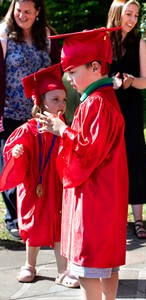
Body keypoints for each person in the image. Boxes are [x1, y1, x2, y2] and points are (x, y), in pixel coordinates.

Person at [37, 27, 128, 300]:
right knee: (107, 262)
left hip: (94, 192)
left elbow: (89, 150)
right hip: (108, 191)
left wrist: (61, 130)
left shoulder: (96, 102)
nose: (68, 78)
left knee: (89, 263)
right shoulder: (103, 98)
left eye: (73, 71)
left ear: (96, 67)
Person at [0, 64, 78, 288]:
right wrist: (16, 153)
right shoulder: (28, 129)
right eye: (55, 99)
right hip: (35, 184)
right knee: (33, 227)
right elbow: (16, 150)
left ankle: (63, 270)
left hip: (58, 185)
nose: (61, 104)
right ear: (41, 101)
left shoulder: (64, 127)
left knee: (58, 226)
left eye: (63, 100)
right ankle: (29, 265)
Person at [0, 0, 60, 239]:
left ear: (38, 12)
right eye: (18, 10)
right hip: (9, 113)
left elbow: (57, 71)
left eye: (27, 12)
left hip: (38, 116)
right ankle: (13, 218)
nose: (21, 16)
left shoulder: (46, 36)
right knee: (10, 164)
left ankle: (34, 218)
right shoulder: (3, 34)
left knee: (36, 168)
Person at [107, 0, 146, 239]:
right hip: (107, 108)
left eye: (136, 15)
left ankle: (138, 220)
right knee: (111, 161)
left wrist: (130, 81)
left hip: (132, 109)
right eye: (128, 14)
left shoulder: (139, 43)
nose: (132, 19)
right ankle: (114, 218)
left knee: (135, 157)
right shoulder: (102, 42)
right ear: (116, 14)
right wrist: (111, 83)